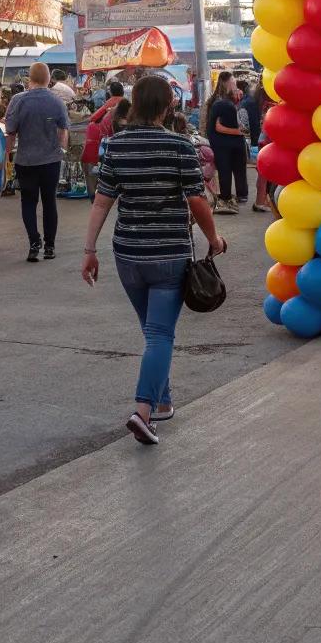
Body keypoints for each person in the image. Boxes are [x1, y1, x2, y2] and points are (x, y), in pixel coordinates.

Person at [81, 74, 225, 446]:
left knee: (152, 332)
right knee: (160, 334)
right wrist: (214, 238)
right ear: (168, 105)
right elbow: (197, 200)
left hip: (127, 254)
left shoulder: (116, 145)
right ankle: (143, 411)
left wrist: (89, 249)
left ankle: (162, 402)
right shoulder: (178, 146)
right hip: (169, 255)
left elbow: (102, 201)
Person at [4, 62, 70, 261]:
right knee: (50, 202)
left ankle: (34, 243)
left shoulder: (18, 100)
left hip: (26, 161)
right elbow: (63, 131)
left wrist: (8, 156)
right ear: (48, 78)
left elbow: (11, 131)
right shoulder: (56, 101)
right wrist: (61, 150)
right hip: (51, 161)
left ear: (29, 79)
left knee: (28, 202)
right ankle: (50, 246)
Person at [206, 72, 247, 214]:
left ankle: (228, 196)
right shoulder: (221, 102)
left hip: (221, 142)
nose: (235, 84)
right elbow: (218, 126)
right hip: (225, 142)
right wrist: (239, 132)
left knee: (226, 169)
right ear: (228, 83)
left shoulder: (217, 100)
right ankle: (228, 197)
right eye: (233, 81)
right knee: (228, 169)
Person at [81, 80, 127, 197]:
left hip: (108, 144)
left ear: (110, 92)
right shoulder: (127, 103)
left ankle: (96, 192)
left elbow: (94, 117)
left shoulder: (110, 103)